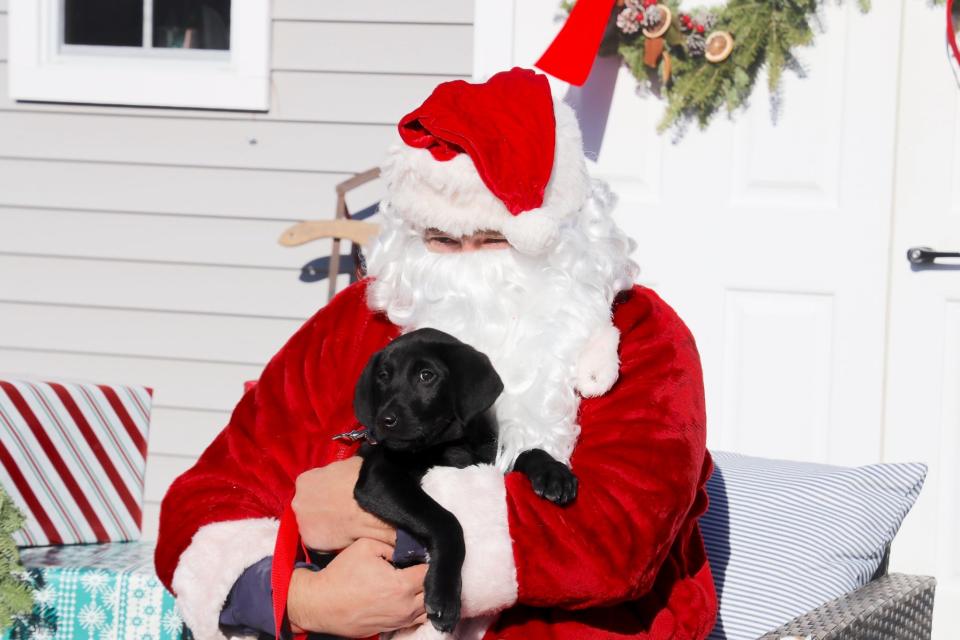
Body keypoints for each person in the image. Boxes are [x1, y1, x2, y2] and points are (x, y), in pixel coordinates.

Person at [154, 67, 717, 640]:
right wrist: (302, 597)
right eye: (443, 240)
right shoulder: (356, 325)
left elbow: (616, 536)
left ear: (562, 234)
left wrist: (374, 521)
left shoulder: (643, 336)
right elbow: (206, 501)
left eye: (496, 239)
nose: (470, 264)